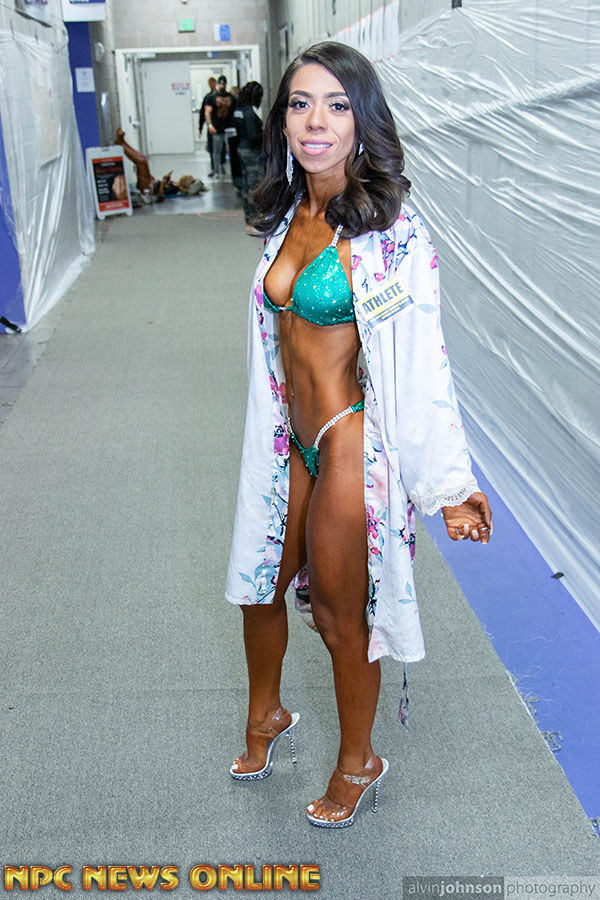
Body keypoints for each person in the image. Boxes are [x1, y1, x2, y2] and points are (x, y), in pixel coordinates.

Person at [224, 42, 493, 829]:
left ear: (361, 120)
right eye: (301, 103)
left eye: (337, 105)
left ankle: (358, 760)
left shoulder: (393, 231)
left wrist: (451, 487)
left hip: (347, 437)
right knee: (259, 585)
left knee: (345, 619)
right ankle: (267, 714)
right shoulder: (287, 216)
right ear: (282, 122)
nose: (317, 121)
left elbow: (424, 361)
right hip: (286, 438)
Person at [114, 129, 207, 202]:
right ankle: (122, 142)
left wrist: (163, 181)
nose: (183, 177)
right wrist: (166, 180)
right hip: (152, 182)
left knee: (141, 162)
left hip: (149, 189)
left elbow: (160, 196)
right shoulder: (175, 184)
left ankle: (121, 144)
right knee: (143, 159)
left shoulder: (176, 189)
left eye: (185, 178)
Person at [233, 81, 265, 235]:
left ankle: (249, 219)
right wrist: (266, 133)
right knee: (255, 186)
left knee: (247, 187)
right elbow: (253, 137)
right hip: (251, 152)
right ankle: (255, 222)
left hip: (241, 149)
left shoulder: (239, 109)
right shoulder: (249, 112)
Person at [205, 75, 235, 180]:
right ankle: (216, 171)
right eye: (220, 83)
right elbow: (207, 112)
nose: (222, 86)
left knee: (232, 151)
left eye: (224, 83)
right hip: (217, 129)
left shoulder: (231, 97)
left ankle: (233, 172)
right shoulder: (211, 97)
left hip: (229, 128)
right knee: (216, 152)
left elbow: (235, 112)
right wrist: (210, 125)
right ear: (218, 84)